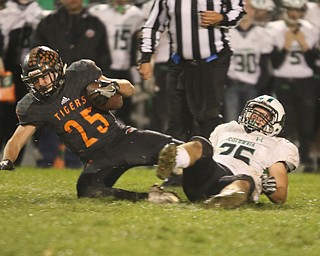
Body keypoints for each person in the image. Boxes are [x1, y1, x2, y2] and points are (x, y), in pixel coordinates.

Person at [0, 46, 182, 203]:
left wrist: (113, 86)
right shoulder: (34, 106)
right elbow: (17, 140)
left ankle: (199, 182)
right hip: (97, 159)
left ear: (57, 70)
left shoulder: (80, 73)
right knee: (87, 191)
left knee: (177, 149)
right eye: (35, 80)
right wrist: (7, 159)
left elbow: (129, 89)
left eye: (45, 77)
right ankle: (151, 198)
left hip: (122, 139)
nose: (41, 84)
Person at [156, 95, 299, 208]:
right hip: (208, 173)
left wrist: (271, 189)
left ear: (276, 124)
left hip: (233, 179)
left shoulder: (277, 144)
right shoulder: (228, 128)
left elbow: (280, 196)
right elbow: (204, 154)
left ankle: (226, 198)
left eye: (264, 115)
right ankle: (173, 160)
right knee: (200, 144)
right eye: (254, 111)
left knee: (246, 180)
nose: (256, 116)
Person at [139, 0, 246, 141]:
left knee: (207, 115)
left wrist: (222, 18)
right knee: (177, 118)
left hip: (212, 62)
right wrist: (146, 58)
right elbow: (153, 25)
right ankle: (180, 159)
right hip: (179, 63)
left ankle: (210, 159)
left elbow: (238, 10)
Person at [32, 0, 112, 168]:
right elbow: (34, 57)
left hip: (85, 90)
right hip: (53, 90)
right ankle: (46, 163)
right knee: (49, 130)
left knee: (82, 130)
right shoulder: (47, 23)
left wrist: (96, 84)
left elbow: (104, 58)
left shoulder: (95, 24)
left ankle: (78, 164)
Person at [266, 0, 319, 172]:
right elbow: (274, 63)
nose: (294, 14)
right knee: (285, 124)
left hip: (305, 82)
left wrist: (304, 46)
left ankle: (305, 161)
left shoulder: (310, 29)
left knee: (306, 125)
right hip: (283, 81)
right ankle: (282, 162)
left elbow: (314, 63)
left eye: (298, 10)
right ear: (285, 10)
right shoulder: (274, 28)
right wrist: (287, 45)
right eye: (291, 10)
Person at [0, 0, 44, 165]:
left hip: (28, 75)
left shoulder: (39, 15)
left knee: (22, 116)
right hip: (5, 71)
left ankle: (12, 160)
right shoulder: (5, 13)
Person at [89, 0, 144, 125]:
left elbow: (140, 42)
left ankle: (125, 139)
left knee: (125, 111)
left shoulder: (136, 14)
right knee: (101, 109)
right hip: (103, 68)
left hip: (125, 68)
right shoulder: (98, 12)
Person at [223, 0, 274, 122]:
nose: (245, 11)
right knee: (231, 123)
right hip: (232, 85)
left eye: (249, 8)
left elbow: (265, 64)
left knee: (251, 123)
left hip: (253, 85)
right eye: (242, 7)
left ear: (254, 11)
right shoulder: (227, 33)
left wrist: (260, 86)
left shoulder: (262, 33)